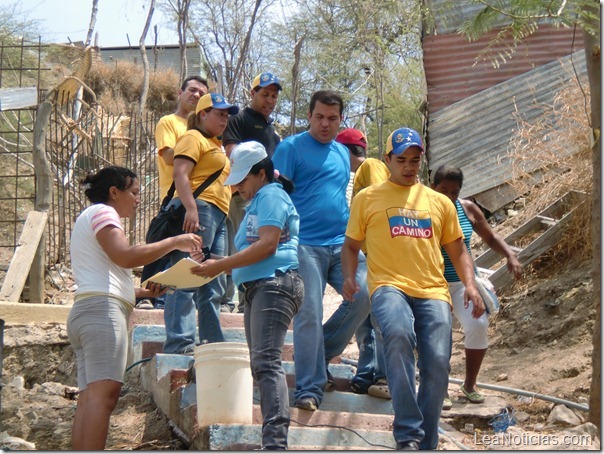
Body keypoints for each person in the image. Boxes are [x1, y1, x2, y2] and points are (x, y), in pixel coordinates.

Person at [341, 127, 484, 450]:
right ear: (387, 160)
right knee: (398, 335)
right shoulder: (368, 198)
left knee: (437, 362)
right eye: (401, 160)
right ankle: (407, 432)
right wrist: (350, 277)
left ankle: (428, 442)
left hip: (433, 291)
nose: (408, 166)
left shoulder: (439, 202)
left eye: (415, 160)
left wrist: (471, 286)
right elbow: (350, 246)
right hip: (389, 286)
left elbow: (458, 249)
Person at [67, 166, 201, 450]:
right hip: (103, 314)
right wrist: (175, 241)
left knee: (91, 398)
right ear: (114, 192)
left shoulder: (88, 217)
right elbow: (125, 256)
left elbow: (105, 270)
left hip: (87, 312)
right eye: (134, 193)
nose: (138, 199)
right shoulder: (104, 214)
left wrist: (139, 291)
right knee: (104, 396)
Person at [190, 141, 303, 450]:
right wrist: (217, 268)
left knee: (267, 362)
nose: (237, 186)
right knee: (262, 363)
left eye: (242, 179)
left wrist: (219, 266)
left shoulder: (271, 195)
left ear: (261, 173)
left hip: (274, 285)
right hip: (257, 287)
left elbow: (267, 246)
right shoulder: (258, 201)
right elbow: (253, 253)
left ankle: (275, 443)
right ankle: (273, 440)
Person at [272, 90, 372, 411]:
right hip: (304, 245)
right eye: (319, 117)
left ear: (340, 119)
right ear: (309, 116)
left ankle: (322, 350)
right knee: (309, 313)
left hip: (342, 244)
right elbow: (274, 193)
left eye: (332, 118)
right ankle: (309, 389)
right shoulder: (290, 148)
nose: (325, 123)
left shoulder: (343, 153)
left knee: (368, 292)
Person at [431, 165, 523, 407]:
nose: (449, 196)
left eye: (454, 191)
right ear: (433, 188)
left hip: (463, 283)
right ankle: (440, 388)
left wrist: (510, 255)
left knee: (478, 324)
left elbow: (490, 237)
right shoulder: (424, 209)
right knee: (440, 334)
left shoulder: (468, 209)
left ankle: (469, 384)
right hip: (432, 283)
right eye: (443, 191)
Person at [163, 92, 238, 354]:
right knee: (186, 274)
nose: (224, 119)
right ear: (203, 114)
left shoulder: (215, 144)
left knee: (213, 276)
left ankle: (211, 341)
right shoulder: (193, 137)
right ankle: (180, 343)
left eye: (227, 115)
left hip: (218, 212)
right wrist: (191, 210)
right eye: (219, 113)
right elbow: (180, 173)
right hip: (201, 208)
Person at [139, 76, 209, 309]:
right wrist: (192, 148)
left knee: (190, 256)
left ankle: (173, 304)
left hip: (200, 199)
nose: (196, 95)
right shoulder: (169, 122)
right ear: (180, 93)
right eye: (192, 90)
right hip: (175, 200)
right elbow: (168, 156)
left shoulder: (207, 132)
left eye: (201, 93)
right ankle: (147, 298)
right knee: (162, 249)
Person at [222, 72, 283, 313]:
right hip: (244, 195)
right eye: (265, 94)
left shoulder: (272, 131)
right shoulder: (239, 118)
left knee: (264, 245)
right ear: (252, 93)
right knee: (244, 244)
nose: (270, 100)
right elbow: (232, 154)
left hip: (268, 197)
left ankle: (256, 296)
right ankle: (242, 300)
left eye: (274, 96)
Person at [335, 128, 388, 398]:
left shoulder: (371, 165)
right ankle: (367, 374)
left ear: (345, 151)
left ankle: (384, 376)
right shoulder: (356, 177)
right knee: (364, 320)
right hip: (365, 252)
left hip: (378, 254)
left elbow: (381, 198)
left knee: (377, 317)